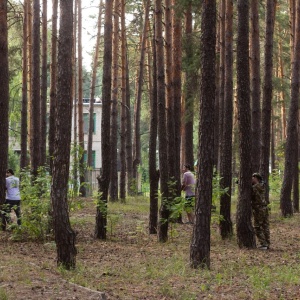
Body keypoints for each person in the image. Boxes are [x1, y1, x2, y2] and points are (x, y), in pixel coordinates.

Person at [251, 173, 270, 250]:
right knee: (265, 226)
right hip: (264, 208)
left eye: (252, 178)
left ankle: (264, 244)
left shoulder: (255, 187)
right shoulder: (262, 186)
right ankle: (267, 243)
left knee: (257, 227)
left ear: (256, 178)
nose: (251, 179)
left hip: (258, 209)